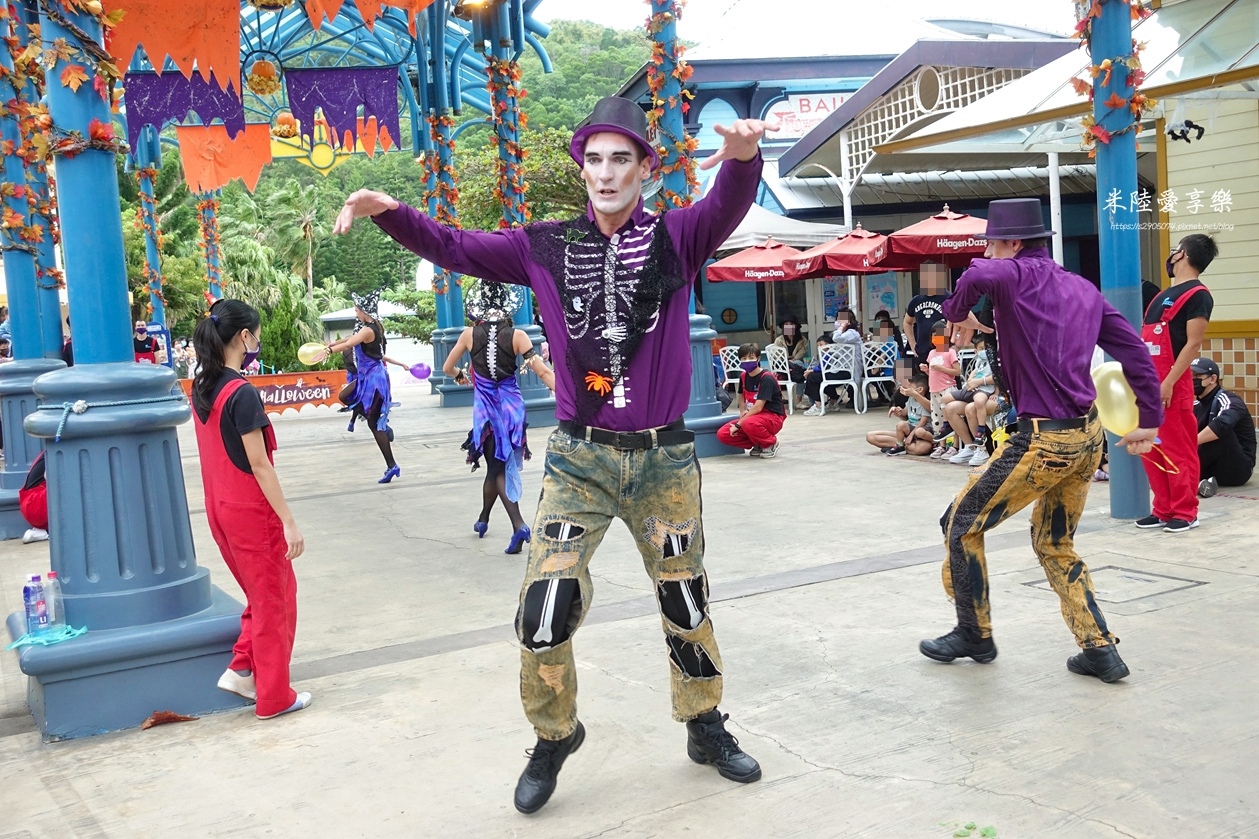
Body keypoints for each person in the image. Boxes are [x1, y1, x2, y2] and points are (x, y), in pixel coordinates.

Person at [335, 95, 771, 812]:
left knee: (683, 597)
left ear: (645, 168)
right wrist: (388, 209)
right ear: (582, 168)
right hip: (579, 461)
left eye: (620, 159)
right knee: (544, 606)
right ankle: (554, 732)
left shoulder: (677, 238)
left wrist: (745, 155)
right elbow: (455, 246)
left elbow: (727, 201)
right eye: (594, 159)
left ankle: (702, 721)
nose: (605, 173)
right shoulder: (544, 245)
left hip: (662, 462)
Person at [924, 198, 1161, 684]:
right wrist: (1149, 420)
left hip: (1044, 442)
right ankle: (1099, 648)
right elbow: (1134, 350)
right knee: (1055, 543)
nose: (987, 251)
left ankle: (975, 632)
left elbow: (974, 278)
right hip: (1087, 435)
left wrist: (956, 310)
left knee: (960, 521)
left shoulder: (1008, 275)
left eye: (992, 243)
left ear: (1010, 243)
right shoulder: (1081, 289)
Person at [190, 299, 310, 720]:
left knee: (263, 595)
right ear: (245, 336)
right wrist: (289, 522)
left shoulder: (203, 387)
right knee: (275, 600)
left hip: (219, 508)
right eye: (255, 334)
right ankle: (274, 696)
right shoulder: (241, 394)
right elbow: (259, 464)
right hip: (250, 512)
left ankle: (243, 666)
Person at [443, 282, 556, 554]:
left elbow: (448, 367)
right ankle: (483, 519)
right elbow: (541, 371)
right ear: (508, 308)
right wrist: (565, 394)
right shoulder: (517, 336)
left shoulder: (469, 334)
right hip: (512, 410)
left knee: (496, 469)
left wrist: (459, 375)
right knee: (495, 468)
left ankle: (518, 525)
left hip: (486, 413)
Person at [1137, 234, 1217, 533]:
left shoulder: (1198, 295)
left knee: (1177, 448)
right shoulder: (1161, 295)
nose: (1171, 257)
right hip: (1147, 381)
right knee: (1151, 446)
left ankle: (1185, 511)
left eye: (1173, 252)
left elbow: (1193, 344)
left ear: (1181, 255)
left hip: (1172, 382)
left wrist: (1169, 382)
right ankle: (1163, 509)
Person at [325, 291, 409, 483]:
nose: (355, 314)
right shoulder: (370, 327)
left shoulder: (368, 329)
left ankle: (392, 465)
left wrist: (327, 351)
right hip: (368, 377)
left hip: (374, 380)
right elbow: (349, 339)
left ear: (364, 311)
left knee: (372, 423)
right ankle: (384, 430)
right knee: (345, 396)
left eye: (356, 310)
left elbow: (351, 342)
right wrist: (331, 344)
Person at [1191, 357, 1255, 496]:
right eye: (1190, 376)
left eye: (1197, 376)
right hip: (1213, 467)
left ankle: (1187, 477)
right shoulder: (1196, 405)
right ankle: (1196, 482)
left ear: (1212, 379)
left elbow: (1222, 424)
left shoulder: (1230, 400)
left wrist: (1190, 443)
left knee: (1217, 432)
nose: (1192, 379)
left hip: (1238, 469)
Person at [717, 342, 785, 457]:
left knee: (748, 423)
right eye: (744, 358)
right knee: (723, 434)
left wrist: (739, 424)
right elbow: (741, 395)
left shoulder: (766, 378)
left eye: (751, 357)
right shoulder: (743, 376)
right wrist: (742, 411)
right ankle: (758, 443)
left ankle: (770, 443)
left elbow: (758, 407)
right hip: (753, 417)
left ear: (758, 359)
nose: (747, 360)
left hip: (772, 417)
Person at [941, 331, 998, 466]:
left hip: (996, 395)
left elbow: (999, 377)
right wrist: (971, 381)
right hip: (977, 392)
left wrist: (979, 382)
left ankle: (982, 448)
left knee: (971, 408)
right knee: (950, 408)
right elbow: (974, 373)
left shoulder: (999, 356)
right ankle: (970, 447)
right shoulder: (980, 360)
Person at [866, 372, 933, 456]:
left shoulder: (925, 400)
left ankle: (898, 445)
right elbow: (905, 413)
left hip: (921, 433)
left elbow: (923, 422)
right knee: (870, 436)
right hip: (908, 431)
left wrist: (910, 436)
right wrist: (898, 411)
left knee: (923, 447)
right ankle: (901, 445)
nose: (906, 387)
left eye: (910, 386)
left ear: (919, 389)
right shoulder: (904, 396)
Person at [920, 322, 960, 449]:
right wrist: (926, 370)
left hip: (947, 389)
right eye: (934, 336)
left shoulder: (950, 352)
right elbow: (932, 373)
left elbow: (957, 372)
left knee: (951, 417)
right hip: (934, 390)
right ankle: (941, 446)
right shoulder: (931, 353)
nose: (936, 338)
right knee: (937, 420)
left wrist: (941, 368)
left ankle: (955, 445)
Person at [903, 263, 950, 363]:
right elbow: (907, 322)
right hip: (922, 350)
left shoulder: (948, 298)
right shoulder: (916, 300)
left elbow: (961, 320)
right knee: (920, 378)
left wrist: (956, 345)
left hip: (942, 351)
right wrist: (912, 343)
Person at [772, 315, 808, 408]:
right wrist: (789, 360)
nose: (788, 326)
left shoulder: (802, 340)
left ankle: (798, 400)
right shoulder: (779, 340)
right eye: (786, 324)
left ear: (795, 326)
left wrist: (793, 360)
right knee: (801, 368)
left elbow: (802, 353)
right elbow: (777, 355)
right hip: (783, 367)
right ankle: (798, 400)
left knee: (800, 368)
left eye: (791, 324)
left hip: (795, 368)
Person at [19, 450, 49, 544]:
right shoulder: (62, 447)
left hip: (28, 504)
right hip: (38, 502)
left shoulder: (49, 448)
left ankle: (43, 531)